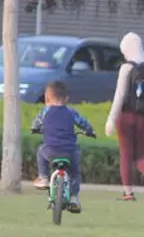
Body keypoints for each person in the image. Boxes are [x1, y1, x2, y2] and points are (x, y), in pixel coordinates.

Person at [105, 32, 144, 202]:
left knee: (126, 154)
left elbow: (119, 96)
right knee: (139, 155)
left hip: (126, 116)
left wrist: (111, 120)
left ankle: (128, 192)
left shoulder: (126, 68)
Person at [31, 81, 96, 213]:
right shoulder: (71, 112)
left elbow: (35, 124)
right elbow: (84, 123)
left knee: (40, 151)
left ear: (47, 98)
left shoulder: (45, 111)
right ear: (66, 98)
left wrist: (35, 129)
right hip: (69, 151)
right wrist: (89, 131)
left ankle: (43, 177)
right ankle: (74, 198)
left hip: (51, 150)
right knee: (75, 174)